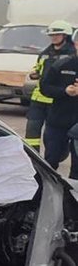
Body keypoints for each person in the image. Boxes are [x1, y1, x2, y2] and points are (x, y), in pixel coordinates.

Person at [24, 20, 76, 152]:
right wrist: (34, 73)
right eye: (52, 35)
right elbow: (38, 68)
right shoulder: (45, 53)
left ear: (66, 36)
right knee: (32, 131)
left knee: (52, 137)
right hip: (38, 98)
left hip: (57, 100)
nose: (54, 37)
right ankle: (33, 158)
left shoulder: (71, 55)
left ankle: (56, 157)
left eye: (57, 34)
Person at [37, 40, 78, 178]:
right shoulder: (62, 64)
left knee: (77, 168)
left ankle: (72, 198)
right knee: (51, 162)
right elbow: (45, 87)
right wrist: (64, 91)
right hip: (58, 120)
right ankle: (44, 192)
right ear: (76, 44)